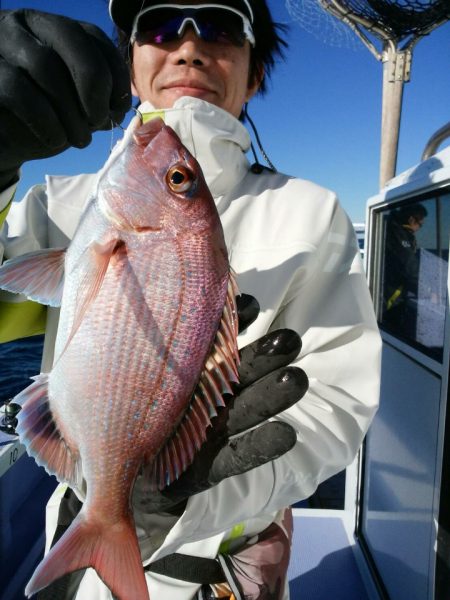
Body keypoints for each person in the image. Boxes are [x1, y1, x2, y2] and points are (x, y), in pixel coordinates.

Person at [0, 2, 381, 599]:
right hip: (74, 552)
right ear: (129, 67)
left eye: (221, 28)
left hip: (226, 573)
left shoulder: (312, 212)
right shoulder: (51, 204)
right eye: (157, 27)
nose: (187, 46)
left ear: (254, 73)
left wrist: (185, 503)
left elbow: (336, 406)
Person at [382, 203, 428, 338]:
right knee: (392, 330)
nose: (419, 228)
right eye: (420, 224)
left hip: (395, 290)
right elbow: (410, 267)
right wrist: (427, 290)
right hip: (391, 294)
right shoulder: (397, 234)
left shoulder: (396, 230)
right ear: (411, 220)